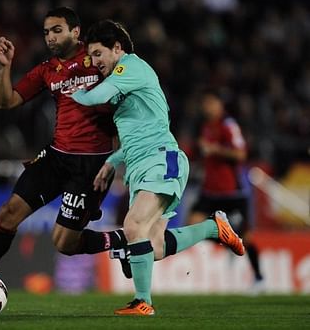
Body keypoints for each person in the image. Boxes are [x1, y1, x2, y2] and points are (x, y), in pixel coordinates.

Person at [0, 7, 128, 308]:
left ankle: (120, 241)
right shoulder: (47, 69)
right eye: (47, 32)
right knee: (8, 212)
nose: (50, 37)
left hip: (91, 164)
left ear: (76, 32)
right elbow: (6, 101)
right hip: (56, 157)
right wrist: (4, 67)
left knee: (65, 243)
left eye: (57, 30)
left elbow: (122, 103)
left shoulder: (97, 58)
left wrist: (115, 159)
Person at [66, 19, 245, 316]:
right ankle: (214, 227)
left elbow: (94, 96)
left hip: (162, 159)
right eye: (91, 55)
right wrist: (113, 161)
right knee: (155, 246)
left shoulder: (130, 67)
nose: (94, 61)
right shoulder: (123, 82)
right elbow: (139, 133)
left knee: (133, 225)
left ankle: (142, 302)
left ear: (117, 48)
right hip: (143, 165)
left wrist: (67, 91)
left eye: (98, 53)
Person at [187, 90, 264, 292]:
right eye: (205, 104)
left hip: (233, 192)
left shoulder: (228, 125)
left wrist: (215, 149)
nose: (207, 107)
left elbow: (240, 154)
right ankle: (227, 238)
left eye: (211, 103)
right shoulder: (205, 127)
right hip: (210, 190)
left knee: (246, 238)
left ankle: (259, 278)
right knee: (193, 222)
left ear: (220, 105)